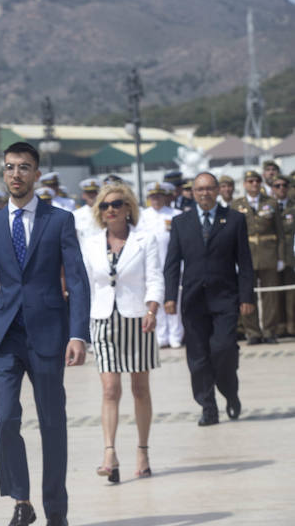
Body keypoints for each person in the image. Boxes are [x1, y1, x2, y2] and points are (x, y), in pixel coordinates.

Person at [0, 142, 90, 526]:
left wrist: (77, 334)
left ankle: (56, 510)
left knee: (52, 423)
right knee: (5, 421)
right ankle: (21, 502)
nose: (16, 174)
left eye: (24, 167)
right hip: (6, 337)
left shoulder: (59, 220)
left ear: (37, 174)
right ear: (3, 174)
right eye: (9, 167)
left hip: (49, 336)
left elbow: (76, 279)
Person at [82, 182, 163, 483]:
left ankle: (142, 451)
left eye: (116, 203)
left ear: (128, 207)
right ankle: (109, 453)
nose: (110, 209)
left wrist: (152, 310)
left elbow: (155, 278)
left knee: (139, 389)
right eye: (104, 205)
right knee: (109, 389)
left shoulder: (145, 239)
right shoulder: (90, 243)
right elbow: (87, 284)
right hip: (102, 319)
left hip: (137, 318)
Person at [164, 172, 255, 427]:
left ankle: (230, 391)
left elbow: (245, 262)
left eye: (209, 188)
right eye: (199, 189)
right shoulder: (181, 222)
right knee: (198, 357)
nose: (204, 193)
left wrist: (246, 296)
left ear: (217, 190)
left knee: (224, 349)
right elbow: (171, 264)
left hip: (225, 297)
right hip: (193, 300)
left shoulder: (235, 219)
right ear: (193, 192)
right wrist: (170, 296)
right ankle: (208, 406)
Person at [229, 169, 284, 345]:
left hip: (268, 253)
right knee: (247, 294)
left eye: (257, 181)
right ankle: (252, 332)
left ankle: (269, 331)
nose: (254, 184)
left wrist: (280, 257)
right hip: (247, 255)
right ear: (244, 184)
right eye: (250, 181)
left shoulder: (272, 203)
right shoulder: (237, 205)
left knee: (270, 297)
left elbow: (280, 232)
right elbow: (232, 235)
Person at [139, 182, 184, 348]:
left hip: (171, 264)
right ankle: (160, 334)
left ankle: (175, 335)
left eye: (158, 196)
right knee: (155, 299)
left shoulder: (175, 214)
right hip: (150, 266)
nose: (155, 199)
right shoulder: (142, 216)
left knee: (174, 300)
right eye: (152, 196)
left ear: (165, 197)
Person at [271, 175, 295, 336]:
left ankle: (291, 325)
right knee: (273, 293)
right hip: (272, 256)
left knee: (291, 294)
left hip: (290, 255)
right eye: (277, 186)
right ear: (273, 188)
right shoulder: (269, 207)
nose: (281, 188)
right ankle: (278, 327)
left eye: (284, 185)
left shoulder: (293, 207)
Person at [73, 177, 101, 242]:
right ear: (83, 195)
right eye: (89, 192)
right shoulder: (76, 215)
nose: (92, 195)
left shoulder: (106, 213)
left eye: (94, 192)